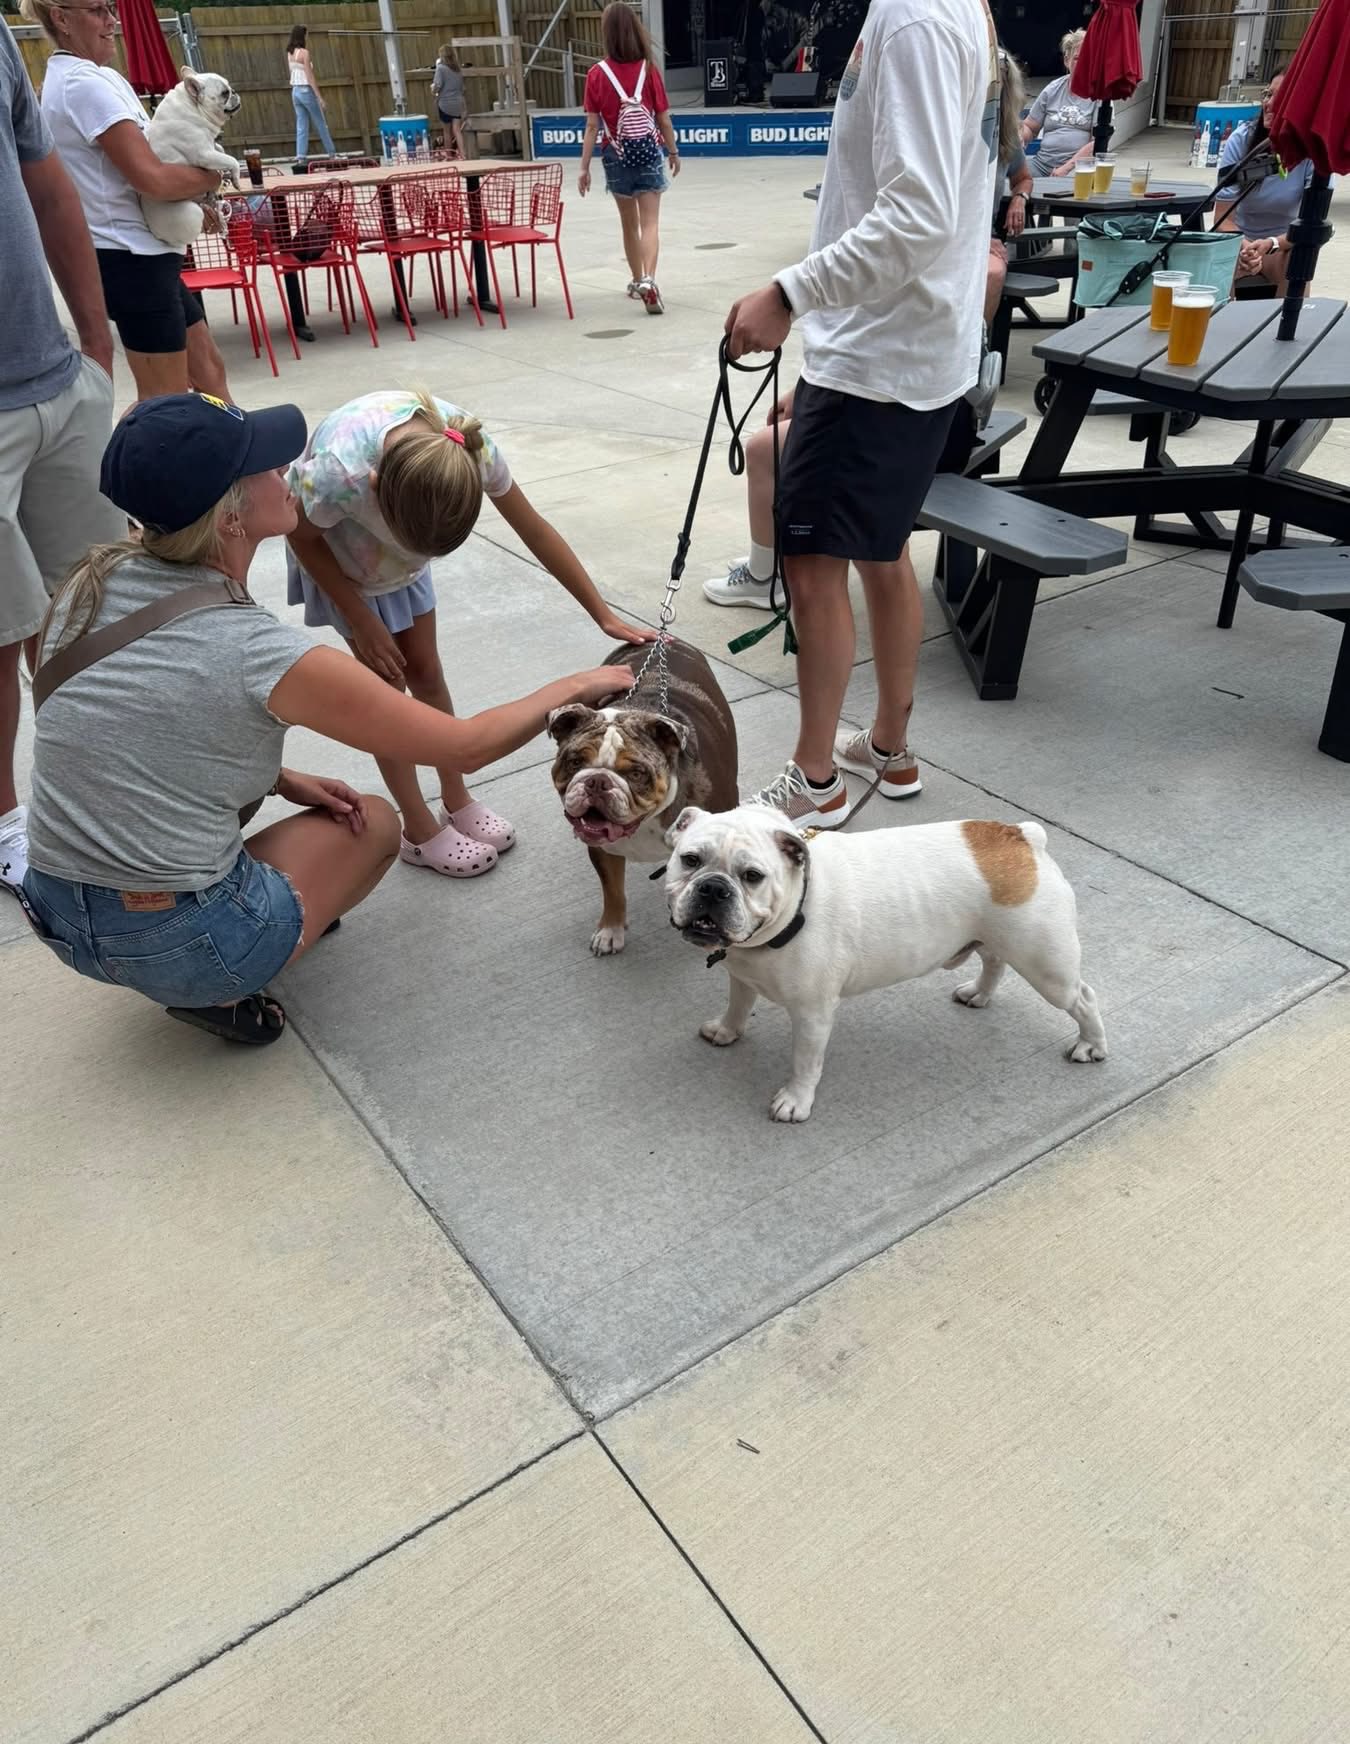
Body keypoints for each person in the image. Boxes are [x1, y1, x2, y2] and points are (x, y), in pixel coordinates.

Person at [21, 393, 634, 1046]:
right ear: (230, 516)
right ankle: (226, 976)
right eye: (263, 463)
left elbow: (117, 730)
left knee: (298, 811)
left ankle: (234, 934)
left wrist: (280, 779)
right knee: (374, 822)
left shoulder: (85, 585)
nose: (286, 466)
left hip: (57, 913)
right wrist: (585, 682)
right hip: (184, 945)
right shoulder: (262, 651)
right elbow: (464, 748)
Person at [723, 0, 999, 829]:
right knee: (882, 553)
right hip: (910, 350)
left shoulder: (914, 16)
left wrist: (789, 294)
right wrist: (821, 368)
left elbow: (916, 215)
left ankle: (815, 780)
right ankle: (888, 748)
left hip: (884, 353)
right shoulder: (951, 11)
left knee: (813, 567)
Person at [286, 390, 655, 878]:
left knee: (427, 672)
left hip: (399, 567)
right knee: (386, 694)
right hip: (347, 571)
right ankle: (416, 827)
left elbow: (534, 528)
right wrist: (360, 620)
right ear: (375, 488)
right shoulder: (341, 473)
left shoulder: (465, 447)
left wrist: (601, 612)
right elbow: (300, 534)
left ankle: (455, 798)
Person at [0, 16, 121, 896]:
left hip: (55, 378)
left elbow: (47, 185)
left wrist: (93, 338)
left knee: (94, 611)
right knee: (0, 638)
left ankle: (102, 788)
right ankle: (9, 823)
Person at [23, 0, 232, 404]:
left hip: (146, 255)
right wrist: (212, 176)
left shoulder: (98, 78)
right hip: (130, 259)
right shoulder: (83, 85)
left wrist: (194, 189)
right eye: (98, 11)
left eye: (112, 9)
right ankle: (122, 467)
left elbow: (158, 165)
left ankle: (241, 465)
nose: (113, 21)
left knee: (209, 373)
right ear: (62, 19)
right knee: (164, 401)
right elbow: (151, 178)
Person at [577, 2, 680, 316]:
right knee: (651, 223)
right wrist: (673, 151)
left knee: (628, 224)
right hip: (649, 151)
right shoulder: (649, 69)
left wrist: (584, 168)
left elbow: (592, 126)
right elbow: (663, 119)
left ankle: (637, 281)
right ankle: (650, 278)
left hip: (615, 154)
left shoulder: (596, 74)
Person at [1215, 72, 1325, 297]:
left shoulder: (1315, 152)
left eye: (1280, 96)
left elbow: (1311, 225)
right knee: (1217, 264)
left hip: (1283, 245)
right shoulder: (1242, 140)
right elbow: (1222, 220)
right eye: (1268, 94)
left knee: (1299, 257)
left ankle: (1288, 327)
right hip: (1242, 244)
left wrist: (1271, 244)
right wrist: (1247, 248)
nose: (1268, 103)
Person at [987, 47, 1031, 325]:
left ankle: (975, 351)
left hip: (983, 237)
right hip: (942, 234)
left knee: (991, 273)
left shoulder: (1005, 134)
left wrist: (1020, 198)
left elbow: (1023, 177)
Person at [1021, 29, 1094, 178]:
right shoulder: (1053, 89)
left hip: (1077, 169)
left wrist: (1066, 168)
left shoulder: (1100, 96)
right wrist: (1018, 137)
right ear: (1066, 60)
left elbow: (1097, 143)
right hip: (1041, 164)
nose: (1083, 64)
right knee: (1007, 176)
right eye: (1077, 58)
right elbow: (1030, 126)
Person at [287, 25, 336, 161]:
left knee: (301, 125)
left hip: (295, 91)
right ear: (302, 36)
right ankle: (332, 153)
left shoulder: (290, 53)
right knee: (320, 123)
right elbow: (310, 76)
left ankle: (301, 156)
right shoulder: (304, 53)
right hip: (305, 90)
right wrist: (319, 97)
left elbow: (292, 72)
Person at [431, 44, 465, 158]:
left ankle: (449, 156)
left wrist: (432, 88)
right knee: (457, 130)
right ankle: (463, 155)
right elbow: (461, 88)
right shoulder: (458, 69)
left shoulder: (440, 68)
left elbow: (437, 86)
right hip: (458, 103)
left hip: (445, 103)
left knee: (446, 132)